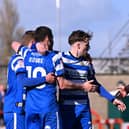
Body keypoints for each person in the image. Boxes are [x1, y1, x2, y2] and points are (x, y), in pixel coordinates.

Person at [12, 26, 98, 129]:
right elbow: (62, 83)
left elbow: (14, 44)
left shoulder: (26, 54)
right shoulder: (55, 57)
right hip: (48, 109)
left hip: (31, 108)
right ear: (48, 39)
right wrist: (45, 79)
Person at [59, 30, 126, 129]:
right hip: (67, 109)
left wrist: (112, 99)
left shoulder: (86, 63)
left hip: (84, 109)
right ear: (78, 45)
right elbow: (59, 83)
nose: (88, 48)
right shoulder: (61, 59)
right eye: (87, 45)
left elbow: (95, 85)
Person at [4, 30, 56, 129]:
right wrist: (45, 78)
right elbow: (22, 81)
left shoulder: (29, 60)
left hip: (23, 108)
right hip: (14, 108)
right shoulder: (18, 59)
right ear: (33, 43)